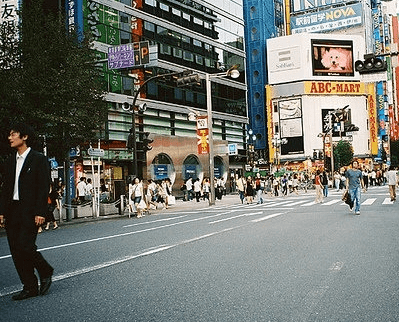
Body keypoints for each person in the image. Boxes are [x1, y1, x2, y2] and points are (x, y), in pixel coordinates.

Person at [0, 123, 54, 300]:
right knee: (16, 250)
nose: (10, 137)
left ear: (24, 137)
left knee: (25, 246)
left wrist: (41, 212)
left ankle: (45, 270)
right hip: (12, 211)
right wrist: (1, 212)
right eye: (9, 134)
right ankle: (29, 286)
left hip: (30, 211)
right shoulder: (9, 161)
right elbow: (6, 189)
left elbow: (43, 187)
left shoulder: (38, 159)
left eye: (13, 134)